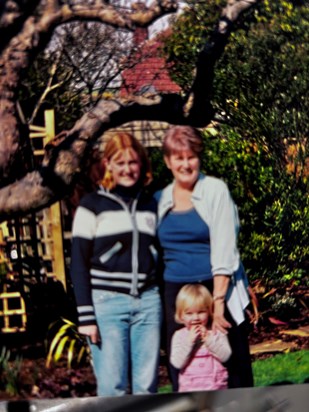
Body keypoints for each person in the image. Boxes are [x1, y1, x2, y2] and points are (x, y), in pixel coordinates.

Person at [156, 125, 254, 391]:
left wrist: (219, 301)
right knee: (183, 364)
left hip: (215, 287)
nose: (186, 164)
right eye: (179, 157)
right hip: (176, 294)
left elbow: (225, 245)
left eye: (192, 156)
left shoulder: (215, 190)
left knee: (230, 364)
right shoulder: (159, 199)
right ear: (168, 161)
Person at [70, 132, 162, 396]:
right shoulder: (91, 206)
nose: (127, 169)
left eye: (132, 163)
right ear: (108, 164)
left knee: (147, 387)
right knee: (113, 388)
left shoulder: (149, 204)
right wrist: (86, 316)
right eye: (120, 163)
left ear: (141, 164)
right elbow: (78, 263)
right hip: (107, 305)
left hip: (148, 302)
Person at [170, 284, 231, 392]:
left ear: (209, 312)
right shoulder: (179, 335)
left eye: (201, 312)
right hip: (189, 390)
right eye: (189, 313)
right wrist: (189, 342)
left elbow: (226, 356)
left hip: (216, 387)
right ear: (180, 315)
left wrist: (209, 339)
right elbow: (177, 363)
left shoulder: (216, 331)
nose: (195, 318)